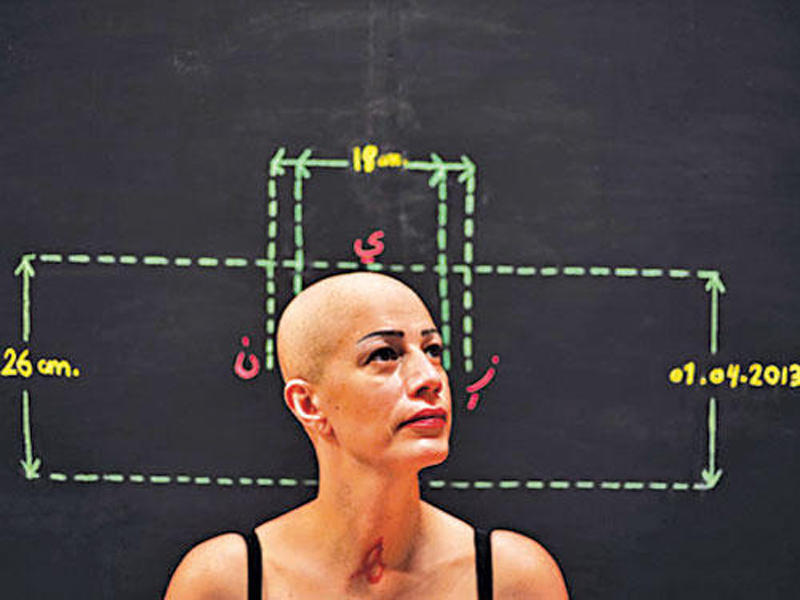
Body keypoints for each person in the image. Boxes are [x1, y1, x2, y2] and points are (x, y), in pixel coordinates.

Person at [165, 272, 568, 599]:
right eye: (385, 355)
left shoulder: (512, 578)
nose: (429, 378)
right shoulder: (224, 582)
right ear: (308, 404)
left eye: (432, 350)